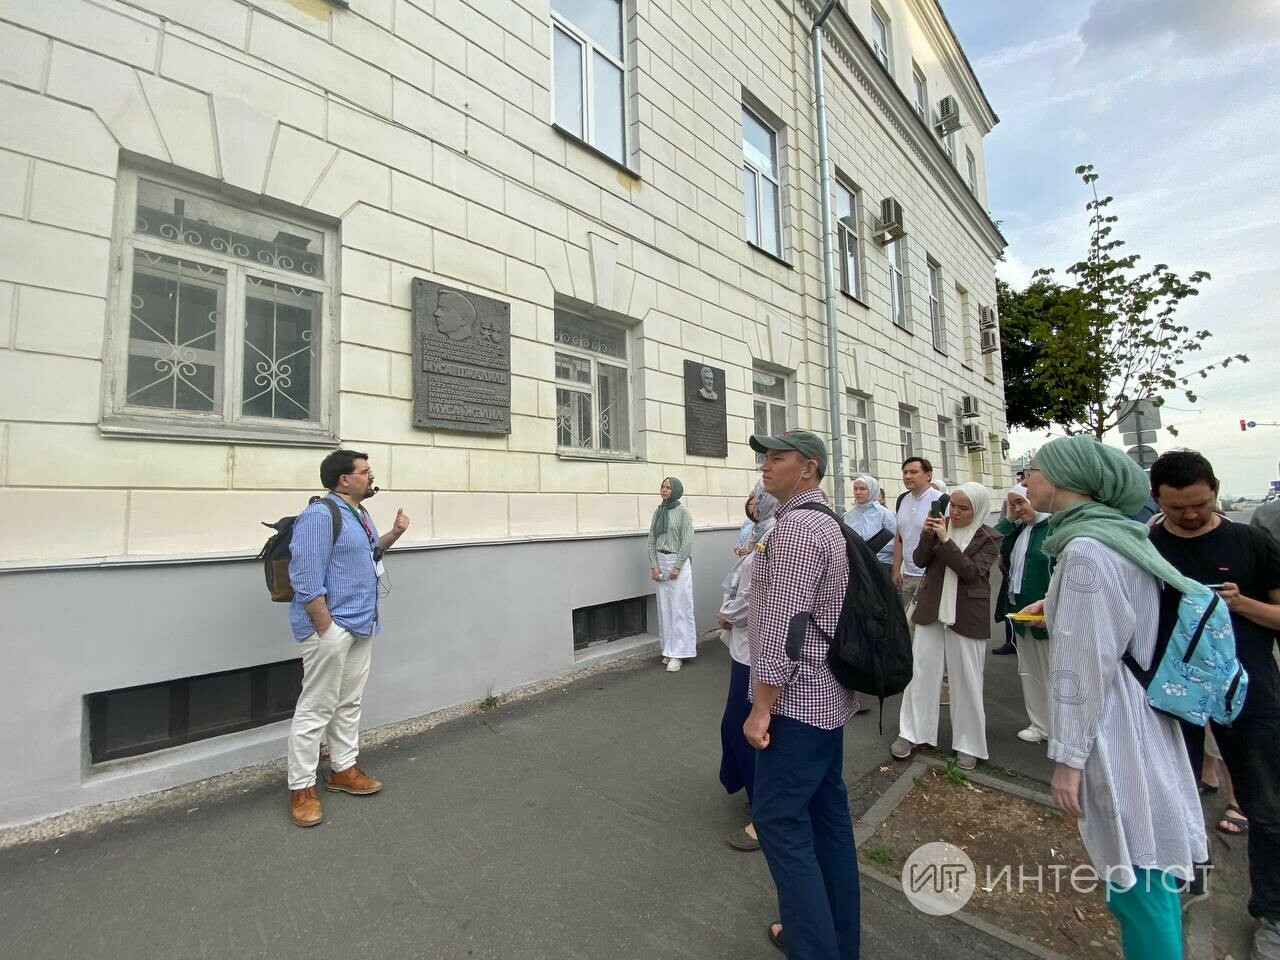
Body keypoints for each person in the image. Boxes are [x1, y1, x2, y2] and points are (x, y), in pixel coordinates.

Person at [1025, 436, 1206, 959]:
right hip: (1143, 717)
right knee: (1150, 873)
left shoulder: (1084, 550)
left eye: (1035, 470)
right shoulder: (1118, 537)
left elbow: (1083, 670)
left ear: (1063, 482)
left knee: (1136, 875)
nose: (1027, 480)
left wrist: (1068, 759)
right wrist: (1056, 606)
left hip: (1116, 728)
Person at [1146, 450, 1280, 959]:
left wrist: (1241, 603)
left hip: (1250, 694)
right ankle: (1180, 882)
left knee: (1267, 805)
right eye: (1177, 507)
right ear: (1156, 499)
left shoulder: (1251, 541)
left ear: (1215, 491)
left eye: (1200, 504)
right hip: (1170, 695)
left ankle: (1272, 911)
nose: (1191, 516)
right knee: (1172, 798)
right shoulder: (1147, 544)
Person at [745, 429, 859, 959]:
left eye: (777, 457)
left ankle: (814, 946)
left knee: (777, 821)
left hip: (796, 704)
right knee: (825, 818)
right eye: (765, 457)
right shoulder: (823, 521)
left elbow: (784, 628)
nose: (766, 466)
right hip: (827, 700)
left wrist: (761, 707)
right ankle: (833, 935)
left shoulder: (795, 530)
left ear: (808, 467)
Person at [286, 449, 410, 828]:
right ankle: (302, 788)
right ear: (345, 479)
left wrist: (394, 534)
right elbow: (305, 578)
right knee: (316, 707)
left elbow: (370, 555)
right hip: (332, 628)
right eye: (365, 472)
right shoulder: (319, 515)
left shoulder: (360, 514)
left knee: (349, 700)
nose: (371, 477)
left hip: (362, 622)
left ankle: (342, 768)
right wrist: (327, 628)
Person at [891, 483, 1001, 770]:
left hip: (967, 615)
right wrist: (929, 534)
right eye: (953, 505)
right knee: (921, 673)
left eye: (963, 508)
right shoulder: (941, 524)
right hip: (931, 610)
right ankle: (912, 733)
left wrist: (945, 539)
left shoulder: (990, 537)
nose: (955, 512)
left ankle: (968, 743)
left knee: (966, 679)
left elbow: (969, 572)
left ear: (977, 509)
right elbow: (918, 560)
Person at [717, 481, 778, 853]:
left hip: (755, 651)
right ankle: (756, 794)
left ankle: (764, 807)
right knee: (742, 725)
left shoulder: (772, 537)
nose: (752, 501)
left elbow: (754, 594)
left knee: (745, 726)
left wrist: (726, 615)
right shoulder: (762, 531)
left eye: (758, 495)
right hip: (746, 649)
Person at [994, 484, 1053, 742]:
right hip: (1020, 611)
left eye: (1021, 502)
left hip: (1046, 614)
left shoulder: (1054, 529)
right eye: (1013, 504)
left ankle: (1062, 728)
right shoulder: (1020, 531)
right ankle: (1039, 724)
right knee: (1030, 671)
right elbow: (993, 543)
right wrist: (1008, 520)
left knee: (1054, 672)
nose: (1018, 509)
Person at [648, 476, 696, 672]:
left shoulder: (683, 512)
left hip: (679, 563)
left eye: (668, 487)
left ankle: (679, 653)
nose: (664, 490)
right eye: (662, 487)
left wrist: (677, 566)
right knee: (665, 608)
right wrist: (654, 565)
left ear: (676, 490)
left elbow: (687, 541)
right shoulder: (658, 511)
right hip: (661, 561)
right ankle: (668, 649)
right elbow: (651, 538)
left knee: (679, 608)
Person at [892, 457, 943, 613]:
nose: (907, 476)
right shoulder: (902, 500)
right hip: (907, 575)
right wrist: (896, 570)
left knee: (930, 624)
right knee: (909, 624)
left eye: (913, 472)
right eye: (905, 472)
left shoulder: (941, 500)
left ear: (928, 475)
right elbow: (900, 538)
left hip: (930, 576)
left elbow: (946, 541)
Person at [842, 474, 896, 583]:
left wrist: (869, 548)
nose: (858, 492)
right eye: (855, 488)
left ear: (872, 490)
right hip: (857, 566)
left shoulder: (885, 514)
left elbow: (894, 542)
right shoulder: (849, 515)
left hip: (881, 564)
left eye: (862, 489)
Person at [734, 491, 756, 557]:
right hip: (743, 561)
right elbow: (738, 546)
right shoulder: (747, 523)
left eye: (752, 503)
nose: (750, 506)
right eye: (749, 504)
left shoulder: (767, 524)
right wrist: (738, 551)